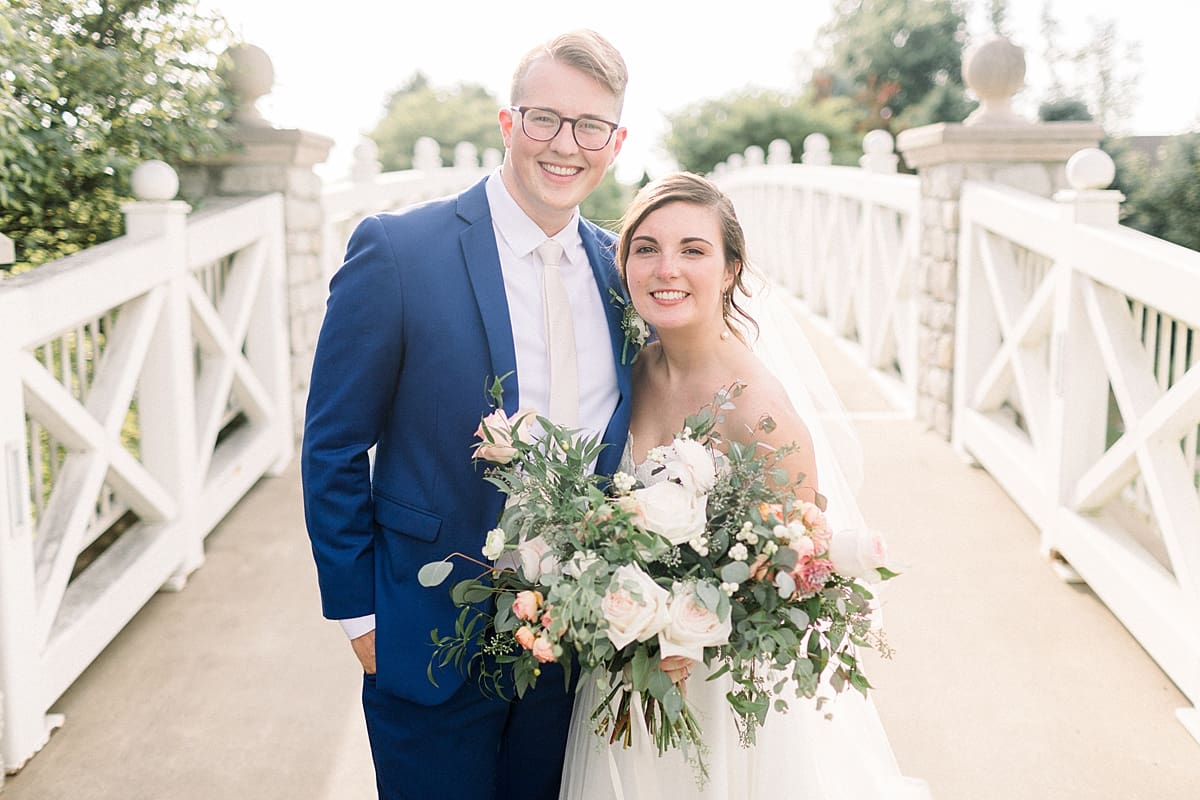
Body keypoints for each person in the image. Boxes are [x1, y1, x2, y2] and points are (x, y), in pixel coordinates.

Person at [301, 30, 634, 800]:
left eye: (591, 128)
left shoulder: (623, 272)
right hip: (426, 637)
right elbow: (334, 444)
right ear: (508, 122)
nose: (566, 145)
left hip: (575, 649)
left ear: (615, 144)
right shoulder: (397, 251)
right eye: (545, 118)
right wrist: (358, 617)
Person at [558, 173, 928, 799]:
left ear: (731, 270)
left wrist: (685, 632)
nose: (665, 267)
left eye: (693, 250)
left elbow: (800, 571)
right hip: (623, 672)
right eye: (645, 248)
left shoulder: (759, 410)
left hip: (719, 695)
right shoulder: (631, 368)